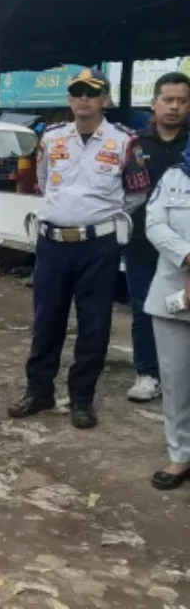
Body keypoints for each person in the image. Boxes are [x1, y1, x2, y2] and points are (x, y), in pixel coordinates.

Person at [8, 68, 151, 429]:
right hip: (53, 244)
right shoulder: (52, 138)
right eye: (77, 92)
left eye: (92, 93)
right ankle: (38, 391)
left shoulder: (125, 141)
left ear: (106, 100)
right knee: (46, 321)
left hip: (98, 247)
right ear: (70, 99)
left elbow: (136, 191)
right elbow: (42, 183)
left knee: (94, 324)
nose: (83, 99)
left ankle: (81, 398)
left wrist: (101, 217)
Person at [124, 72, 190, 403]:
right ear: (154, 103)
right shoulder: (135, 145)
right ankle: (148, 373)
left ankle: (180, 377)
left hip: (187, 251)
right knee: (143, 309)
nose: (175, 107)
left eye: (182, 100)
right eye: (168, 100)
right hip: (141, 245)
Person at [144, 149, 190, 490]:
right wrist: (188, 258)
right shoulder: (174, 177)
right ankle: (181, 455)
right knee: (175, 381)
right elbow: (154, 224)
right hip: (175, 293)